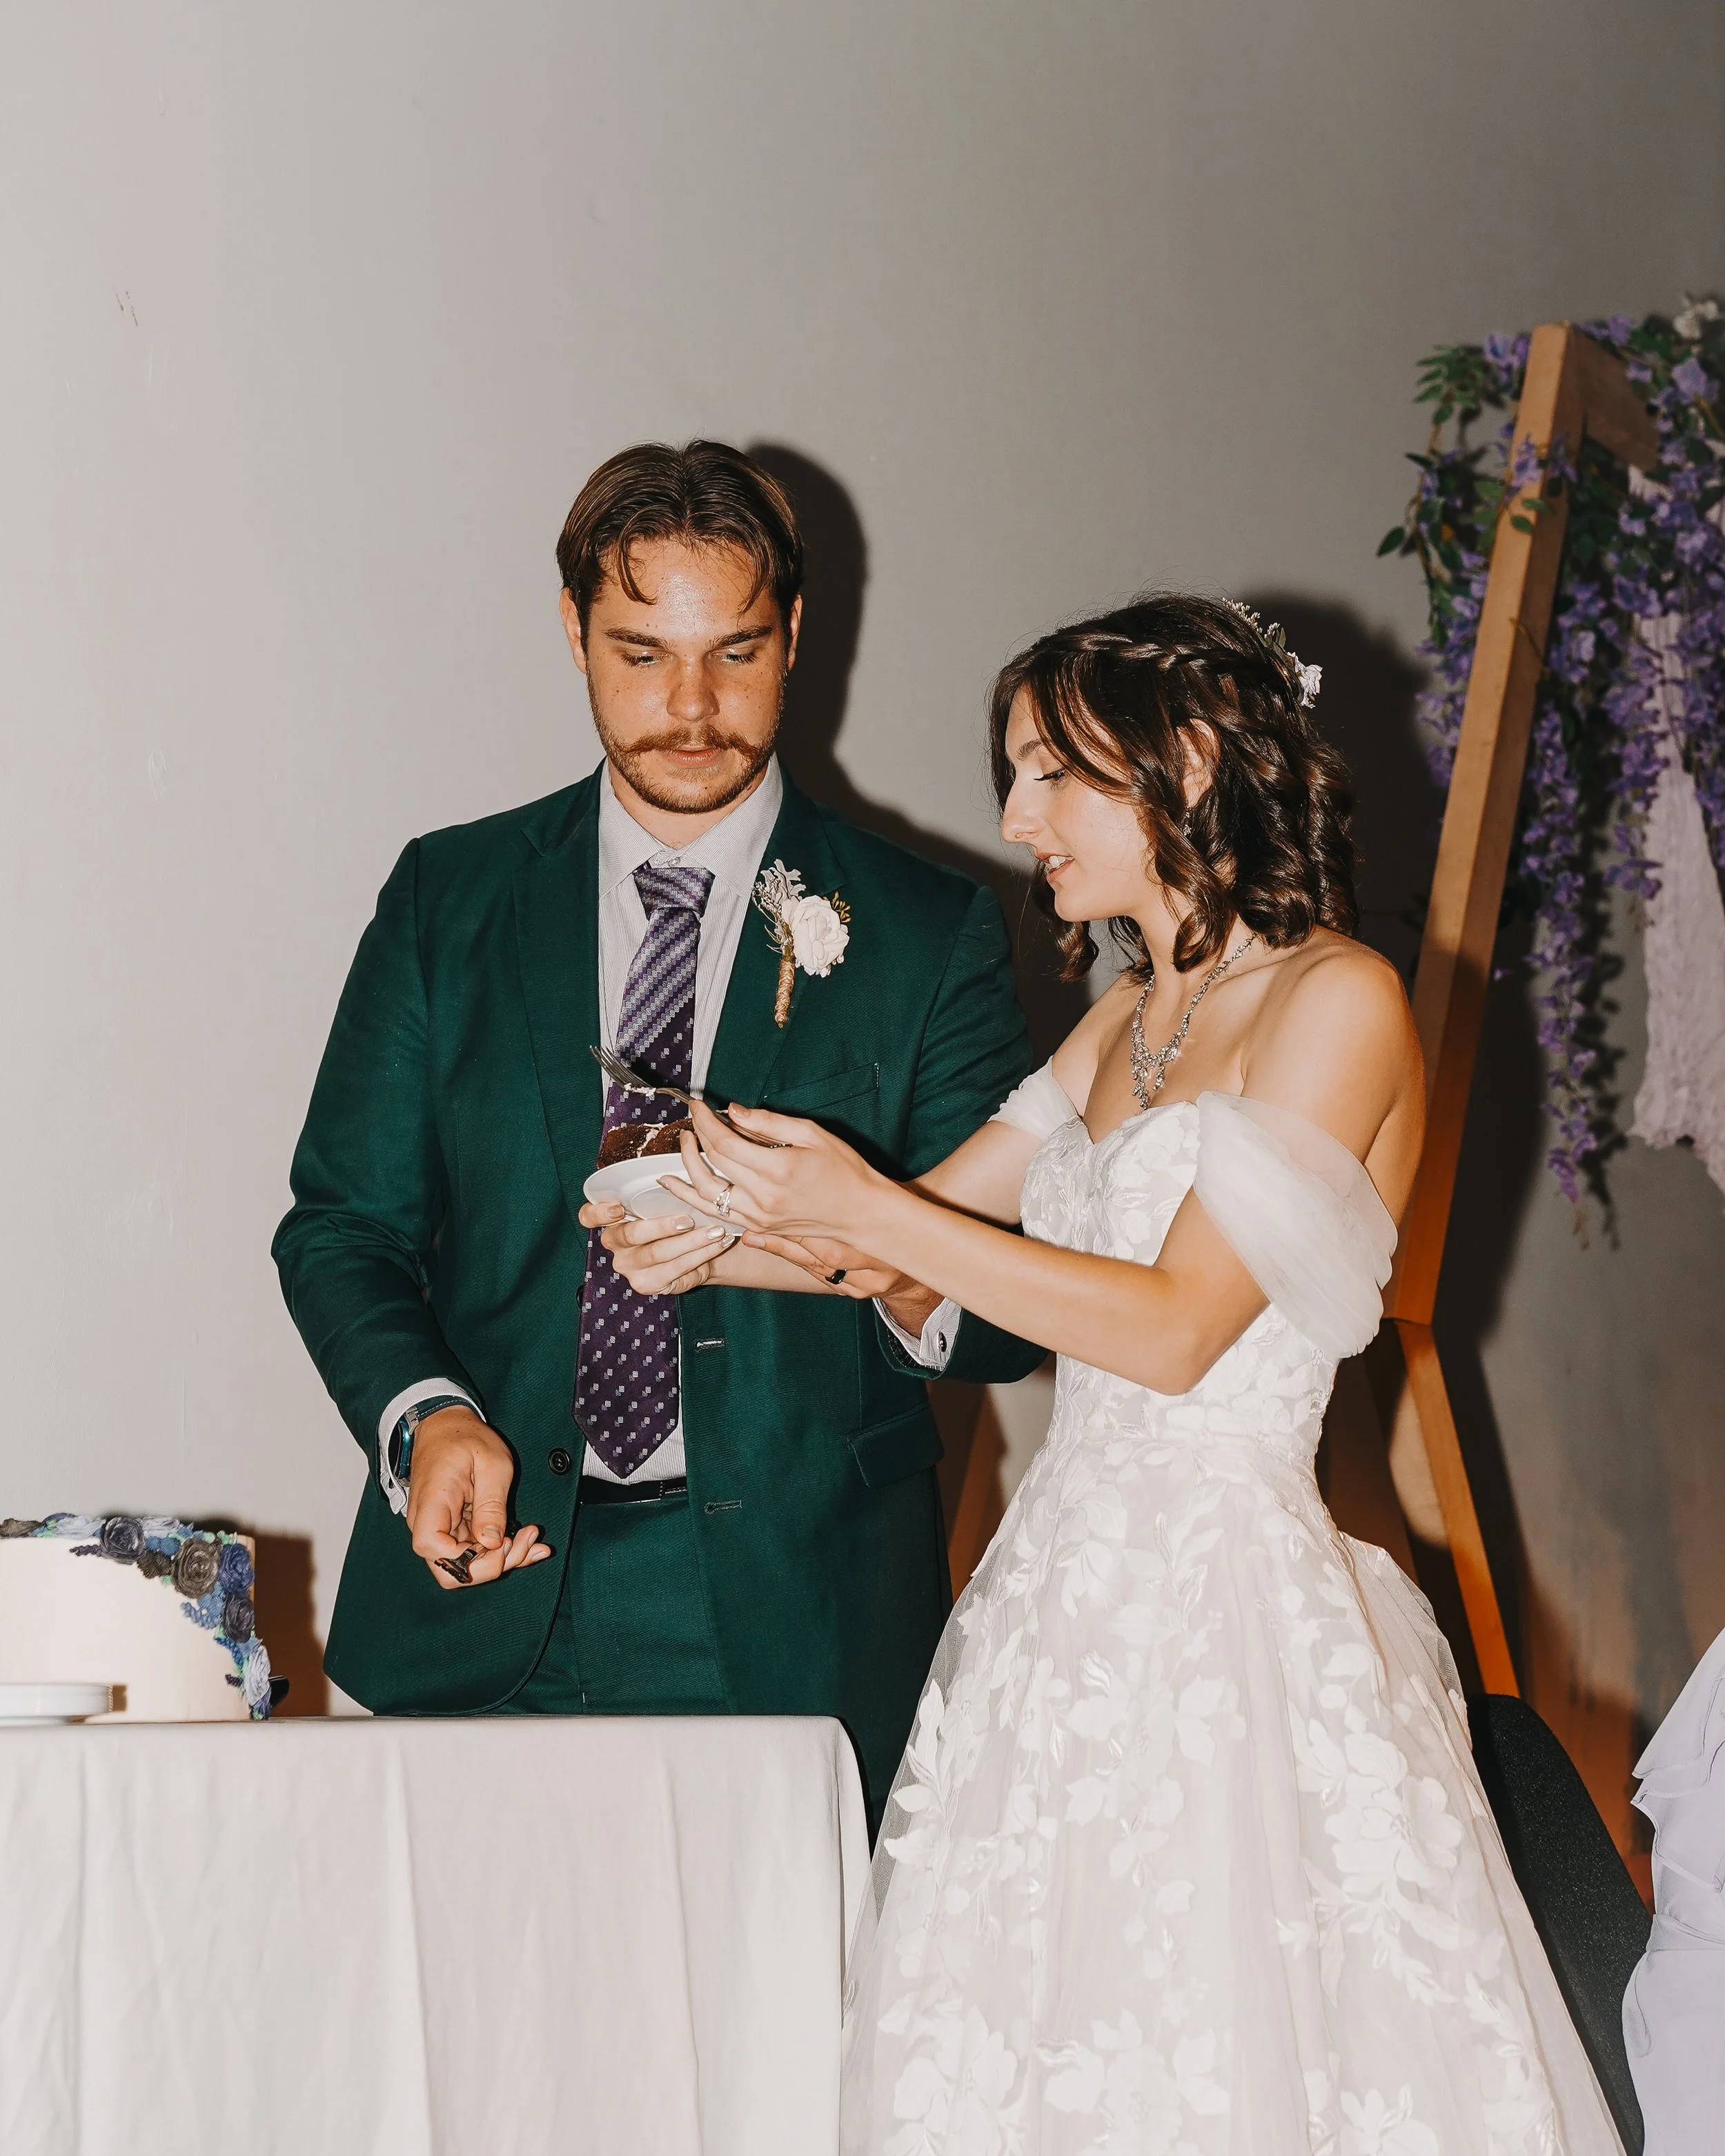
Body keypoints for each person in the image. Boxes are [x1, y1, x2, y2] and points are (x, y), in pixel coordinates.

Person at [610, 595, 1623, 2152]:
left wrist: (864, 1205)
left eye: (1049, 772)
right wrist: (713, 1230)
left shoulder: (1336, 999)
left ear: (1192, 761)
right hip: (1046, 1618)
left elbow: (1170, 1326)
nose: (1014, 816)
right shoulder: (1117, 1020)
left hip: (1230, 1622)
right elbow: (917, 1241)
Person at [273, 440, 1043, 1821]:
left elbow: (1003, 1316)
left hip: (798, 1617)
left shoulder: (931, 930)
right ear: (571, 630)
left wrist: (869, 1237)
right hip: (489, 1609)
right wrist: (426, 1417)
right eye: (639, 654)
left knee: (779, 2041)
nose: (689, 709)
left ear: (796, 633)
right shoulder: (448, 899)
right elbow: (342, 1225)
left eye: (734, 653)